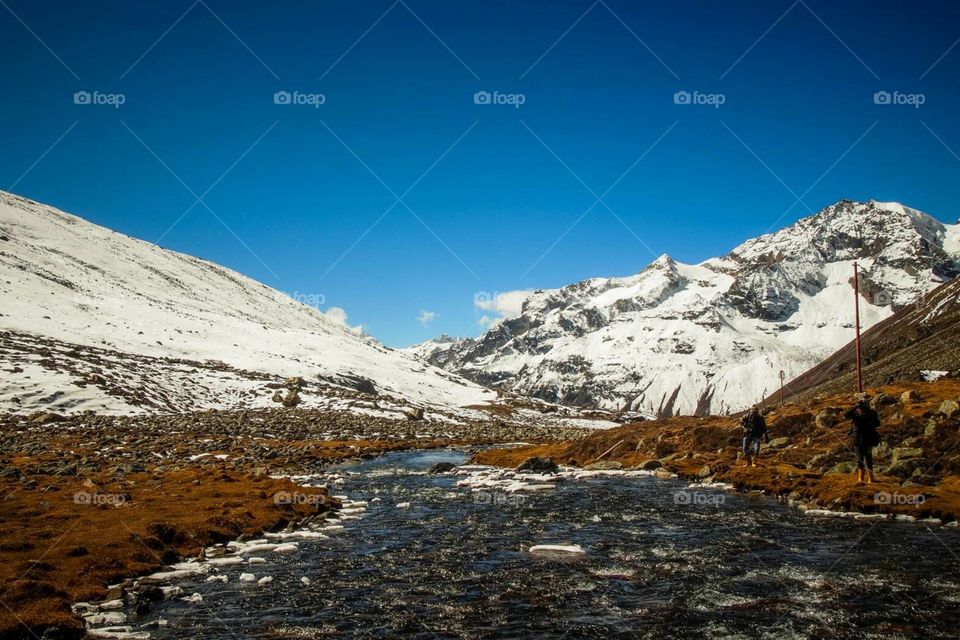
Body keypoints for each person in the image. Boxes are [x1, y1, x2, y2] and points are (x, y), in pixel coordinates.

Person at [844, 394, 880, 484]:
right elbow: (845, 415)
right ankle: (863, 479)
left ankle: (868, 479)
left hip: (865, 438)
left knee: (866, 458)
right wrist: (856, 407)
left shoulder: (871, 412)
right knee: (862, 458)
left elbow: (877, 423)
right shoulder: (856, 412)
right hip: (859, 439)